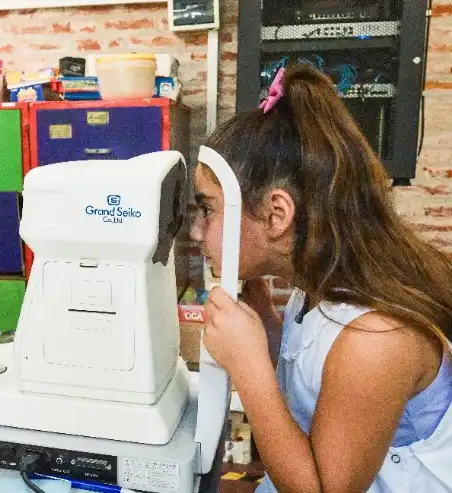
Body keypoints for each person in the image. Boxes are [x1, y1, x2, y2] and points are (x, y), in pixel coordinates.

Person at [193, 64, 452, 492]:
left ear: (276, 216)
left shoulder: (376, 338)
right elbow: (313, 381)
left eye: (208, 210)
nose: (197, 232)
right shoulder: (317, 289)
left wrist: (249, 366)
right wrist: (266, 327)